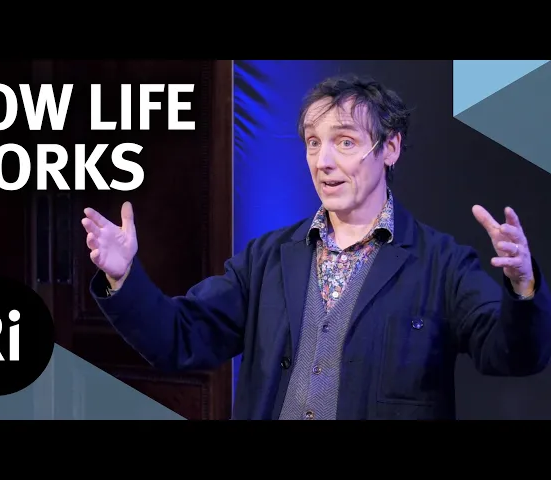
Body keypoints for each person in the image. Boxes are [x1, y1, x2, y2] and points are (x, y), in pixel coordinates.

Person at [82, 73, 551, 420]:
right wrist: (123, 277)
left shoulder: (441, 263)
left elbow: (513, 355)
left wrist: (522, 287)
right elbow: (179, 338)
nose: (323, 161)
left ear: (389, 148)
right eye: (312, 143)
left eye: (344, 142)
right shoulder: (266, 258)